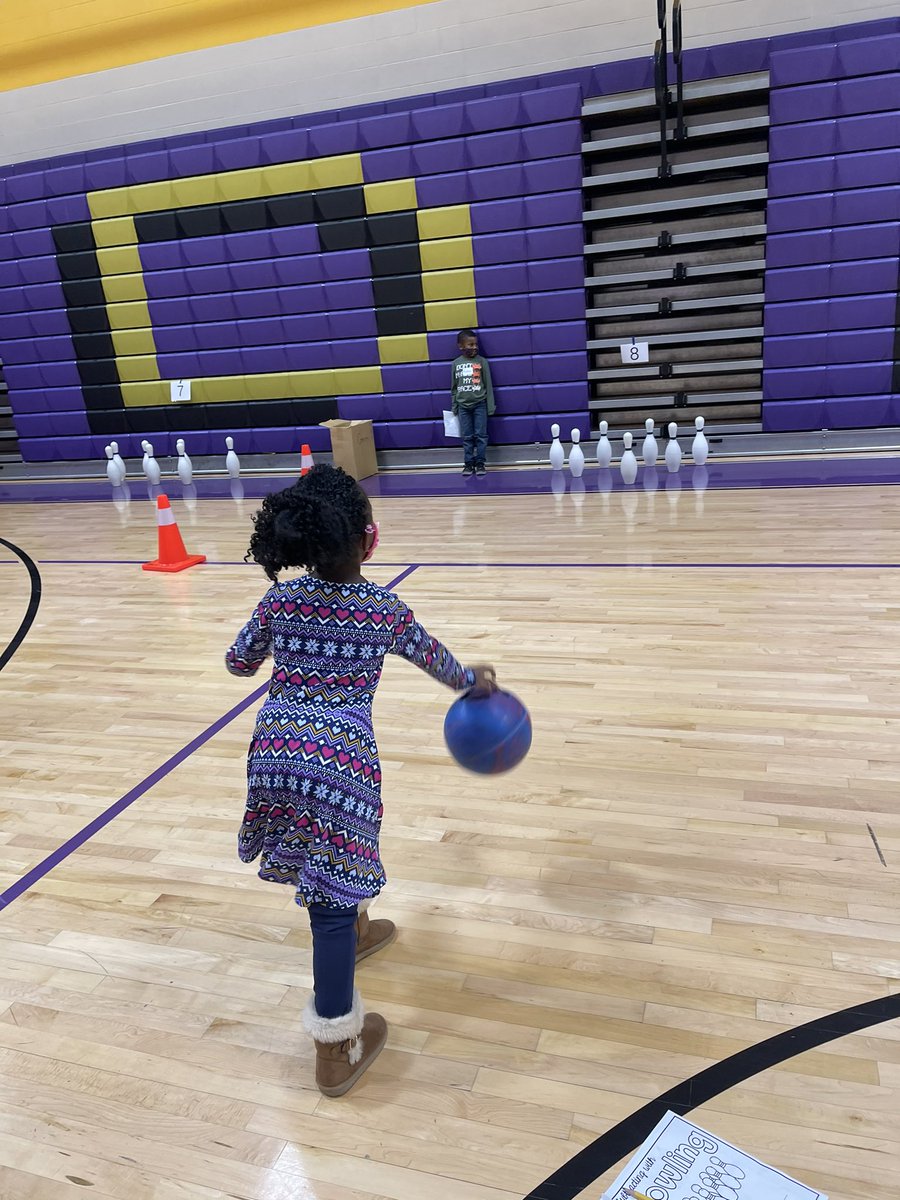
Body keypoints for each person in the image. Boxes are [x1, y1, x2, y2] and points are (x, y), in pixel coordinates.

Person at [225, 465, 496, 1097]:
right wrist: (475, 682)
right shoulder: (383, 609)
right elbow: (442, 664)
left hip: (274, 757)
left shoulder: (280, 600)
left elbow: (238, 662)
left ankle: (359, 929)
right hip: (342, 766)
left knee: (329, 863)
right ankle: (335, 1048)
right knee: (332, 891)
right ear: (368, 541)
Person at [451, 328, 495, 477]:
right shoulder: (455, 364)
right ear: (461, 346)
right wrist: (454, 406)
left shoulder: (482, 362)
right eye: (470, 345)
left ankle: (480, 463)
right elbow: (454, 388)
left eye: (475, 344)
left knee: (481, 435)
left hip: (480, 404)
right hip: (463, 407)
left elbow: (488, 385)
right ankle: (468, 464)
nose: (474, 347)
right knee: (467, 437)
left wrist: (490, 406)